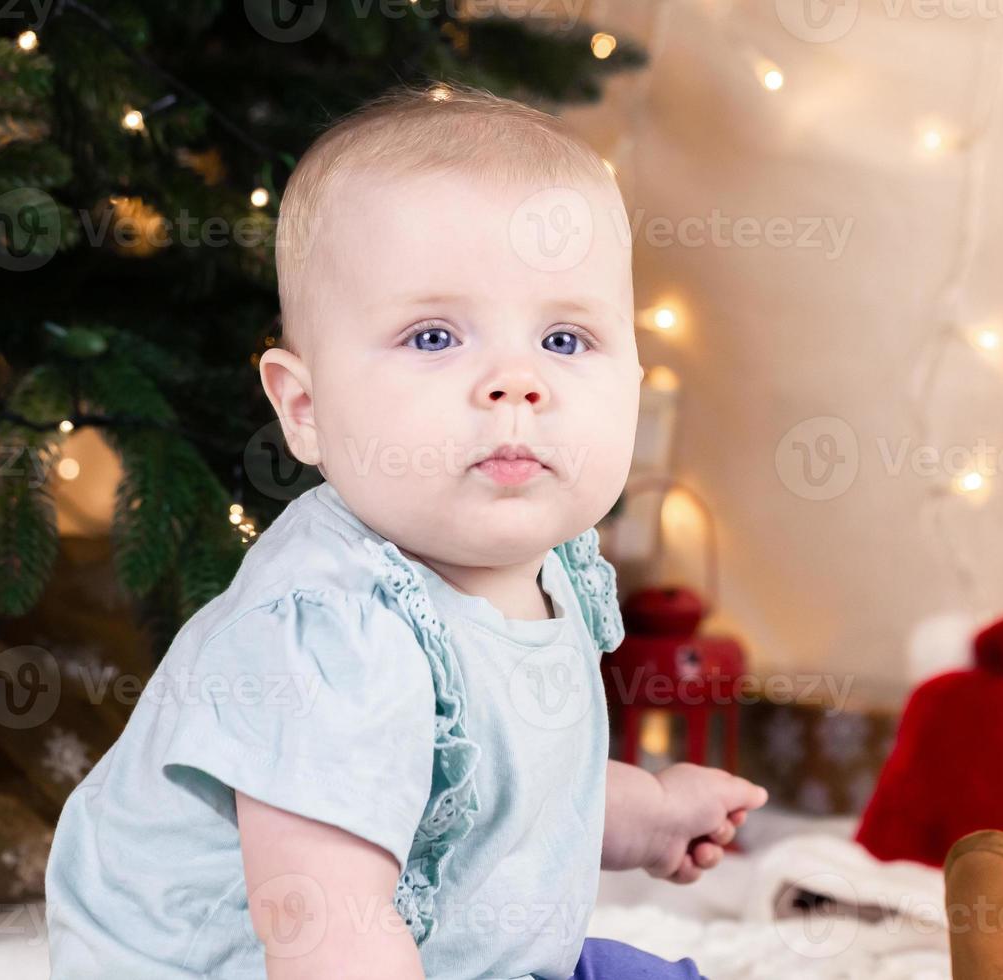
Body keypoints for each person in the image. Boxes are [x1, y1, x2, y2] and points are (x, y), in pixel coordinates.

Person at [45, 82, 766, 979]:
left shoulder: (551, 570)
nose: (515, 382)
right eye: (432, 337)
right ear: (304, 409)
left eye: (566, 340)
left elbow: (493, 797)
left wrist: (646, 810)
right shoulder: (326, 632)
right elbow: (323, 929)